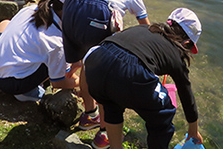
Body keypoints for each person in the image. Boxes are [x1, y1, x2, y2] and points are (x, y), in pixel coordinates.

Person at [83, 8, 203, 149]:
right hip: (128, 70)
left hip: (95, 61)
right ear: (187, 43)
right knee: (164, 115)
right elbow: (186, 94)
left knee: (112, 104)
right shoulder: (176, 55)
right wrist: (193, 130)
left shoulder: (143, 28)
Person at [59, 0, 150, 134]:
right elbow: (145, 26)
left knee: (87, 63)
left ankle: (90, 114)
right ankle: (104, 132)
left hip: (70, 7)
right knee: (103, 75)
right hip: (97, 12)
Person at [0, 0, 79, 102]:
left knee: (5, 23)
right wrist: (80, 83)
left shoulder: (30, 9)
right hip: (11, 84)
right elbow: (58, 83)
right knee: (56, 58)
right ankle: (26, 92)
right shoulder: (57, 42)